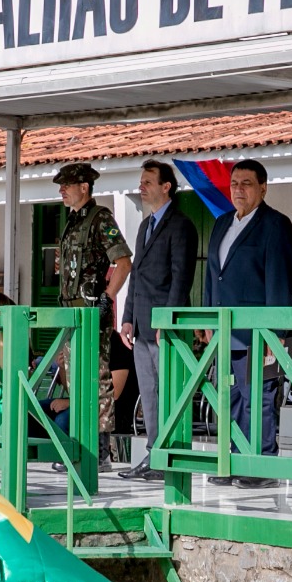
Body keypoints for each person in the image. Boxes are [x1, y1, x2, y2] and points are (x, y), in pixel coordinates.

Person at [202, 159, 292, 489]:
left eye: (246, 183)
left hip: (260, 332)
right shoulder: (221, 223)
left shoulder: (275, 224)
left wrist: (276, 332)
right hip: (225, 329)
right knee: (230, 399)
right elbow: (212, 276)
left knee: (259, 398)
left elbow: (279, 282)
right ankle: (235, 461)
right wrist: (208, 318)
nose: (238, 189)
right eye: (234, 183)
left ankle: (261, 465)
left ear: (263, 188)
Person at [120, 159, 197, 481]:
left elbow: (182, 278)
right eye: (142, 181)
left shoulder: (181, 225)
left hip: (167, 328)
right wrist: (126, 319)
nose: (142, 186)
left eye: (148, 181)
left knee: (171, 395)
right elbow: (135, 276)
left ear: (166, 187)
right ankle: (154, 456)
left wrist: (170, 319)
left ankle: (173, 458)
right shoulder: (144, 225)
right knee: (149, 395)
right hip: (141, 327)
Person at [53, 162, 132, 470]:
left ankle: (99, 453)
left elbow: (123, 262)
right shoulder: (72, 222)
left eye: (66, 185)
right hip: (71, 315)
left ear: (84, 187)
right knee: (75, 383)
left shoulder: (101, 220)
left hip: (91, 313)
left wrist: (107, 297)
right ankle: (80, 449)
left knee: (96, 382)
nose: (61, 190)